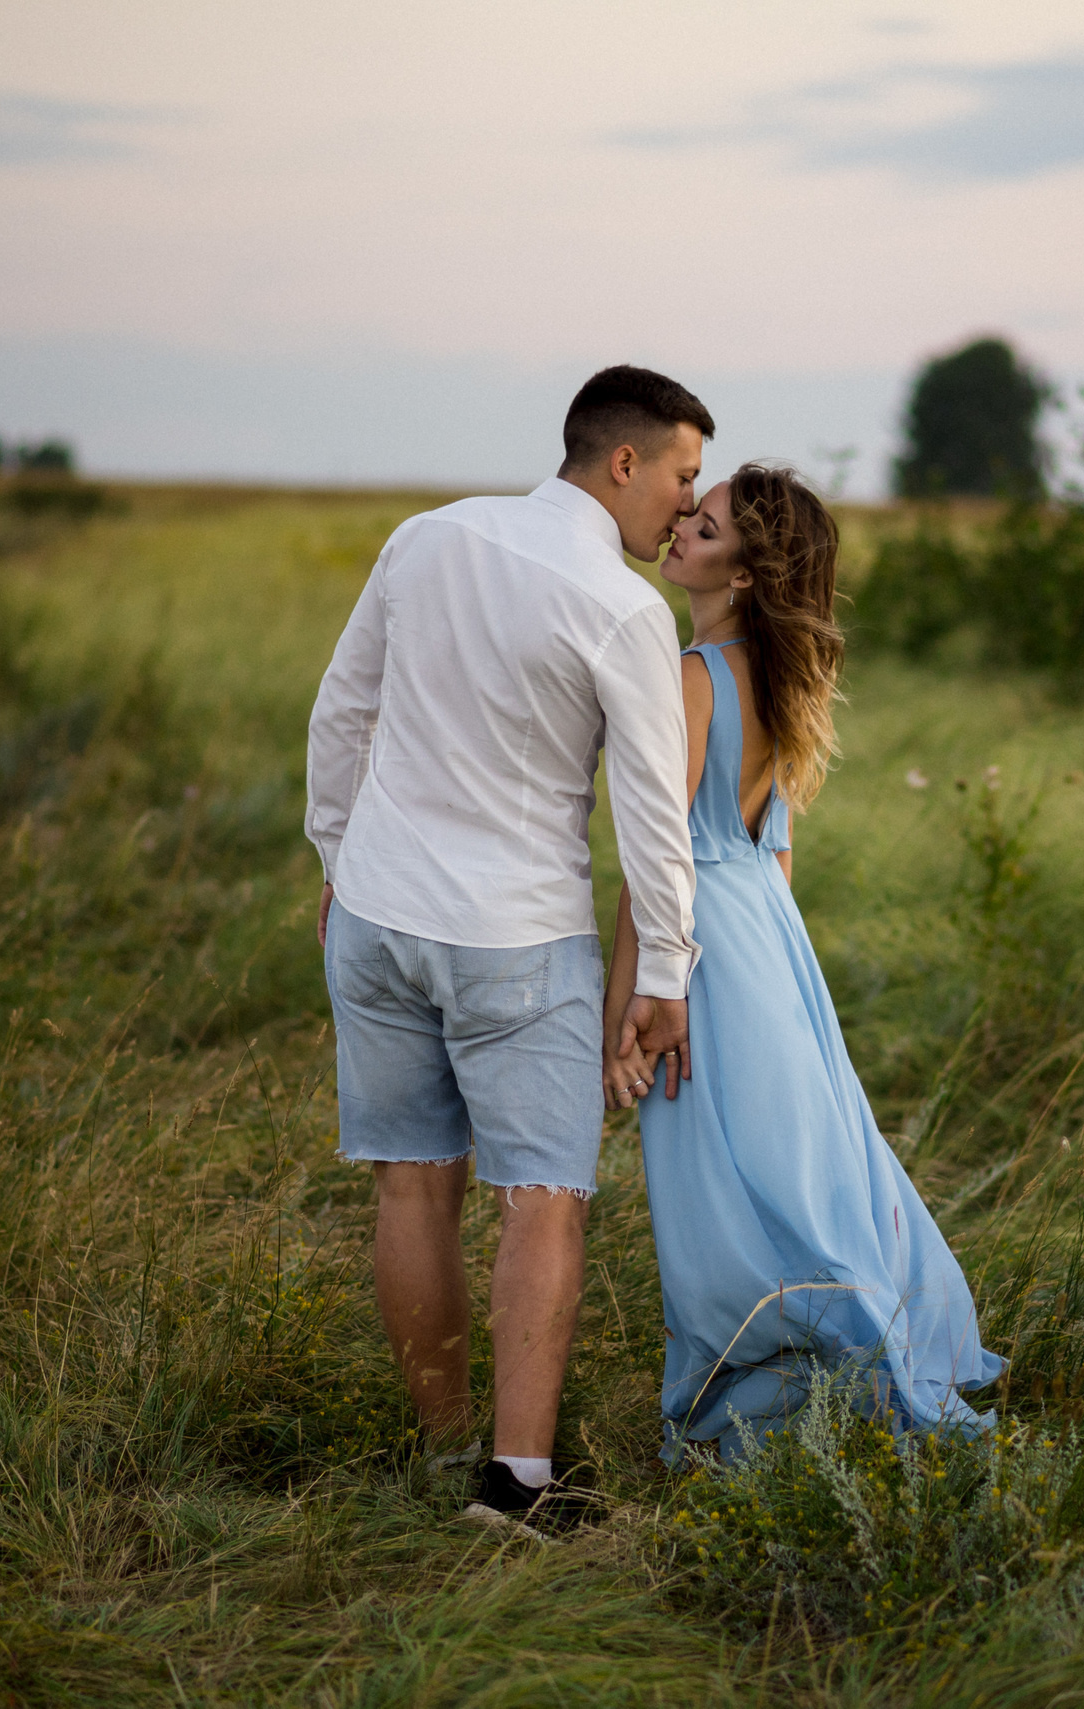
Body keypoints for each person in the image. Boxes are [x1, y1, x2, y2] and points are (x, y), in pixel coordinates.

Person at [306, 365, 710, 1537]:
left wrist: (337, 858)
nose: (687, 506)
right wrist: (666, 975)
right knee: (544, 1197)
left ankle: (443, 1450)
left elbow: (342, 711)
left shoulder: (426, 535)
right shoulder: (622, 607)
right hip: (518, 938)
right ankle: (515, 1483)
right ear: (623, 461)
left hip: (376, 914)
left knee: (410, 1182)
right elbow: (652, 817)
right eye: (682, 476)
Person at [603, 462, 1006, 1463]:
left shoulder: (694, 676)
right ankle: (836, 1347)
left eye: (705, 527)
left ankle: (802, 1370)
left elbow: (656, 855)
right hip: (767, 932)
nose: (681, 528)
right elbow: (775, 849)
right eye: (692, 514)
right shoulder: (778, 676)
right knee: (791, 1154)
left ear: (745, 572)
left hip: (699, 935)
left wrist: (628, 1003)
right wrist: (783, 978)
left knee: (721, 1174)